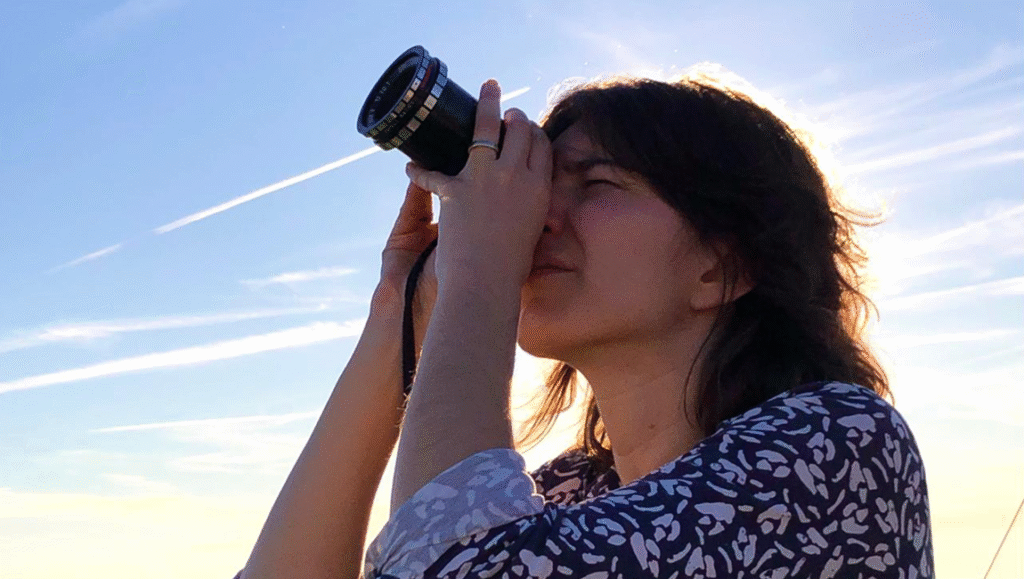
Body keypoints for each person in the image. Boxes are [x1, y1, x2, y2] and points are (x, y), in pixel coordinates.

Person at [234, 69, 934, 579]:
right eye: (542, 185)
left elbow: (459, 566)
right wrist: (402, 317)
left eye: (596, 184)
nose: (538, 216)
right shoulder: (572, 490)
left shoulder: (840, 443)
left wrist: (480, 274)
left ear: (722, 267)